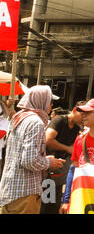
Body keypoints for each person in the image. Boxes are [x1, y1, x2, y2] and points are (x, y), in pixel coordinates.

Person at [0, 85, 66, 214]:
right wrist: (49, 163)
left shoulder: (19, 117)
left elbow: (21, 155)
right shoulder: (35, 122)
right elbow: (29, 161)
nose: (51, 105)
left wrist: (43, 159)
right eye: (49, 101)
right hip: (25, 192)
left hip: (10, 188)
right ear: (40, 100)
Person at [40, 101, 86, 214]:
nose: (83, 119)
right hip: (48, 168)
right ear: (75, 110)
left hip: (60, 170)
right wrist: (67, 148)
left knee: (54, 204)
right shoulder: (59, 120)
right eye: (82, 115)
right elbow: (48, 140)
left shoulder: (76, 127)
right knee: (45, 204)